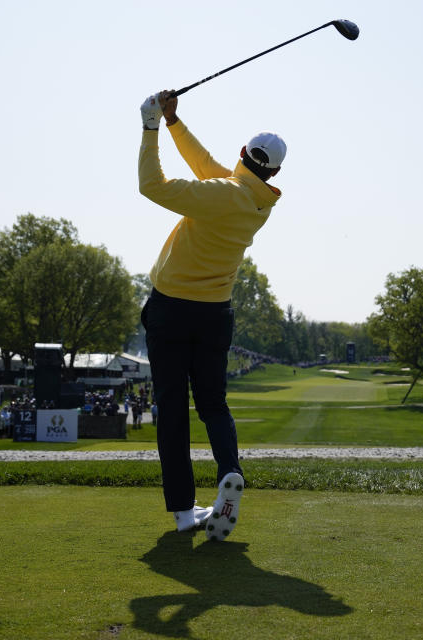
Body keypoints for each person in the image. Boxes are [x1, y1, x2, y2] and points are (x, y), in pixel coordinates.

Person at [137, 89, 284, 539]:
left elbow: (151, 186)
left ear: (243, 155)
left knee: (174, 410)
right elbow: (205, 166)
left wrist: (149, 128)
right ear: (274, 171)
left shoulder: (224, 193)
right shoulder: (258, 199)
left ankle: (183, 511)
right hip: (215, 315)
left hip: (170, 311)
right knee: (213, 404)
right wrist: (175, 123)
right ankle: (229, 470)